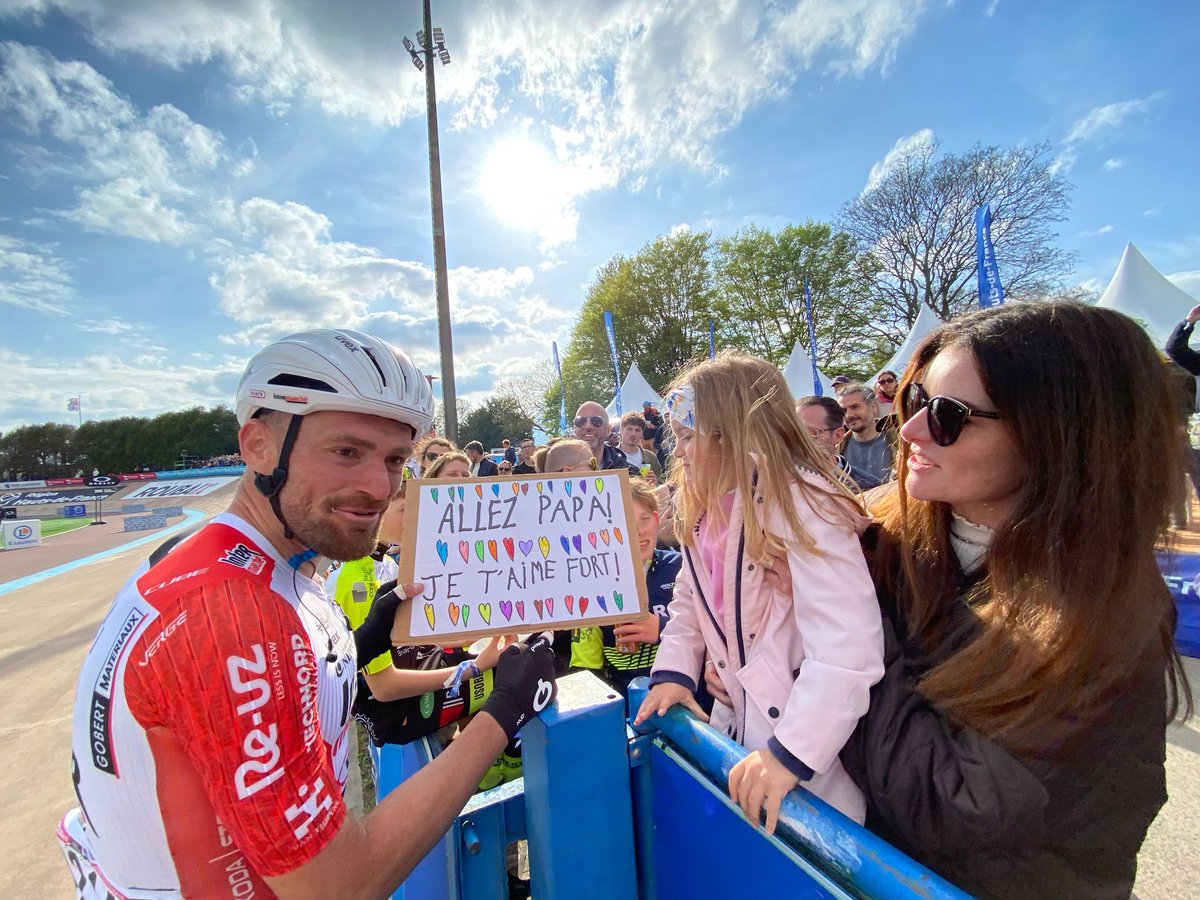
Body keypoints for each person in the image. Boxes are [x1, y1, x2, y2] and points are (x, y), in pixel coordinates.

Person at [59, 329, 557, 898]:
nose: (377, 485)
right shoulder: (233, 614)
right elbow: (341, 885)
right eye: (346, 451)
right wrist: (507, 709)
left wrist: (373, 629)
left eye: (395, 459)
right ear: (258, 447)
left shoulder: (252, 561)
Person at [837, 302, 1192, 897]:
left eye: (948, 415)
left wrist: (836, 631)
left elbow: (949, 801)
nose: (911, 430)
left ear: (1061, 436)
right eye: (917, 399)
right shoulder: (878, 535)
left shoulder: (1104, 617)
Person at [634, 351, 884, 834]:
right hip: (744, 735)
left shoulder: (803, 505)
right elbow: (689, 603)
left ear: (730, 434)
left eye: (688, 437)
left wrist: (791, 753)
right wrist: (676, 673)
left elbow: (846, 649)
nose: (678, 453)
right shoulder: (707, 513)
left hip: (810, 761)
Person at [325, 484, 510, 747]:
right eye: (405, 510)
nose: (417, 519)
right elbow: (384, 687)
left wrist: (478, 635)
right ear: (375, 513)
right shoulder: (355, 580)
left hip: (418, 687)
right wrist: (474, 667)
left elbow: (411, 638)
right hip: (398, 717)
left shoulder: (387, 563)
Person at [570, 478, 681, 697]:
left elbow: (711, 635)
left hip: (681, 698)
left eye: (645, 519)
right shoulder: (593, 583)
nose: (638, 531)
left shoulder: (679, 566)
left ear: (657, 520)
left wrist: (662, 628)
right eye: (625, 522)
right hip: (624, 705)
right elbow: (586, 668)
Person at [796, 395, 881, 491]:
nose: (797, 440)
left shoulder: (869, 488)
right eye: (793, 432)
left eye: (810, 433)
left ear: (837, 435)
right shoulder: (781, 483)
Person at [836, 382, 895, 484]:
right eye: (844, 410)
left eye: (855, 407)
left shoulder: (900, 444)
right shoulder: (837, 450)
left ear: (873, 407)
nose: (849, 415)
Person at [573, 401, 628, 470]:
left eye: (596, 421)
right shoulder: (558, 468)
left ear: (608, 429)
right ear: (575, 429)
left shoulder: (626, 470)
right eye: (580, 421)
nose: (588, 426)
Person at [617, 412, 663, 483]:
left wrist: (655, 482)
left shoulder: (650, 457)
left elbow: (662, 483)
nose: (633, 434)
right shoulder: (611, 456)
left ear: (642, 434)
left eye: (637, 430)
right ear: (621, 431)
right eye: (629, 429)